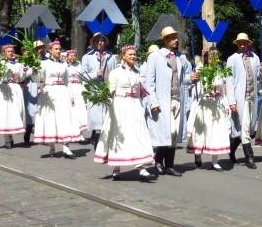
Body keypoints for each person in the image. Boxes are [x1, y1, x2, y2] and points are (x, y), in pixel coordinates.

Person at [94, 45, 158, 182]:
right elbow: (111, 90)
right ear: (123, 56)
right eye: (130, 54)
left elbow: (144, 90)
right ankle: (116, 167)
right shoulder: (115, 73)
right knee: (119, 134)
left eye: (135, 54)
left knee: (138, 134)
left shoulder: (138, 72)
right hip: (120, 105)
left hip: (134, 105)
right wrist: (107, 99)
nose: (133, 56)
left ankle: (141, 166)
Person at [144, 26, 198, 176]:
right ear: (165, 40)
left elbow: (182, 79)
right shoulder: (155, 57)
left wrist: (191, 78)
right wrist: (153, 102)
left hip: (177, 99)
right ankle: (158, 159)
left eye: (176, 37)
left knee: (174, 135)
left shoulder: (180, 57)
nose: (176, 40)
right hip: (163, 101)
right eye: (173, 37)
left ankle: (169, 165)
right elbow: (149, 83)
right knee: (168, 132)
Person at [34, 40, 82, 158]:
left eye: (60, 49)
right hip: (50, 92)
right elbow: (38, 79)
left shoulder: (64, 64)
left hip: (62, 92)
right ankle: (52, 147)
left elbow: (67, 82)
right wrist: (34, 71)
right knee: (51, 119)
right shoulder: (44, 64)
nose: (59, 51)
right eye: (56, 49)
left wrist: (70, 95)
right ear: (50, 51)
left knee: (64, 118)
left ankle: (66, 147)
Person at [186, 48, 230, 171]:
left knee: (216, 131)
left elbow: (223, 92)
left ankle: (215, 160)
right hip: (204, 103)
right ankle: (198, 153)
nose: (214, 59)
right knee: (201, 131)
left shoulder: (220, 72)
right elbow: (197, 90)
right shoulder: (201, 71)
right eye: (211, 56)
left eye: (216, 56)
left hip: (217, 103)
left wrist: (226, 105)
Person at [226, 32, 262, 169]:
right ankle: (249, 156)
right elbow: (229, 81)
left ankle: (232, 146)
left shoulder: (255, 58)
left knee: (249, 126)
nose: (242, 45)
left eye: (244, 42)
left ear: (248, 43)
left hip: (252, 96)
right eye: (240, 43)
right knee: (245, 126)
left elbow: (258, 77)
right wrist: (231, 101)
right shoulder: (232, 59)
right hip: (240, 97)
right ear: (237, 44)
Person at [82, 32, 117, 148]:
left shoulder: (111, 57)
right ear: (93, 42)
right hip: (95, 91)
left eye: (101, 40)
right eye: (97, 40)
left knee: (107, 117)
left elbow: (115, 72)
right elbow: (82, 75)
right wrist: (94, 74)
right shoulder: (87, 57)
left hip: (108, 90)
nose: (99, 43)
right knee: (97, 119)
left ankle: (106, 140)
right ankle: (97, 141)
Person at [0, 45, 26, 148]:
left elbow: (20, 79)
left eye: (12, 51)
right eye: (8, 51)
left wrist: (23, 72)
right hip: (4, 88)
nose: (11, 53)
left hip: (15, 88)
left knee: (16, 112)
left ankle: (11, 134)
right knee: (5, 113)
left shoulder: (18, 64)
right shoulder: (0, 64)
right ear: (4, 53)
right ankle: (7, 138)